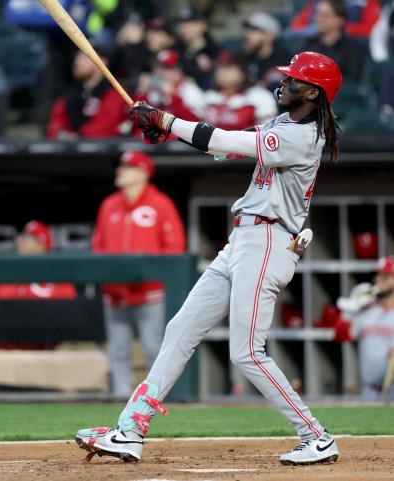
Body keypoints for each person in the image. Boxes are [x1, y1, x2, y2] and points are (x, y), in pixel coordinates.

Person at [75, 51, 343, 465]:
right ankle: (130, 429)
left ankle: (316, 436)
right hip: (243, 240)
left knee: (247, 352)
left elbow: (221, 140)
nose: (283, 83)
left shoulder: (302, 136)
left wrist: (164, 120)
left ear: (312, 91)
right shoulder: (282, 124)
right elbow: (222, 148)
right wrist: (169, 133)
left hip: (269, 241)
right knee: (180, 327)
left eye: (293, 80)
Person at [92, 150, 186, 399]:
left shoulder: (160, 204)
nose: (120, 171)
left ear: (143, 172)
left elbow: (175, 247)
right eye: (121, 166)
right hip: (115, 294)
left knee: (153, 347)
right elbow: (98, 247)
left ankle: (156, 398)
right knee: (119, 350)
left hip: (150, 292)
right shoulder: (109, 204)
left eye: (127, 167)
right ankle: (120, 399)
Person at [333, 256, 394, 401]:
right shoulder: (368, 310)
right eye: (378, 275)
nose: (379, 280)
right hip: (370, 390)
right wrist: (351, 309)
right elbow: (340, 336)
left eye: (385, 276)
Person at [46, 40, 131, 140]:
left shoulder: (115, 92)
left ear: (101, 61)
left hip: (107, 153)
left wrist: (78, 138)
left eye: (84, 56)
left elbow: (106, 129)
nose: (77, 61)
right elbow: (55, 124)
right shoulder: (72, 93)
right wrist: (60, 133)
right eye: (78, 55)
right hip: (71, 153)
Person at [0, 220, 77, 301]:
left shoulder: (59, 279)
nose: (20, 240)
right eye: (21, 236)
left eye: (28, 237)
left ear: (42, 244)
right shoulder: (5, 276)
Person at [202, 52, 279, 131]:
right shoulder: (209, 97)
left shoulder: (260, 96)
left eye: (228, 68)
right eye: (219, 67)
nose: (221, 72)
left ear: (243, 73)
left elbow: (268, 132)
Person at [300, 0, 365, 83]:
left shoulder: (353, 49)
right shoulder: (308, 45)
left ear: (340, 20)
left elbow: (352, 81)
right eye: (317, 13)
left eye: (325, 15)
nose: (319, 19)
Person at [287, 0, 381, 38]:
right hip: (313, 39)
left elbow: (372, 29)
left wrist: (339, 28)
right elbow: (296, 25)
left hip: (346, 44)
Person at [134, 49, 202, 123]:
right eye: (159, 68)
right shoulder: (154, 91)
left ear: (179, 71)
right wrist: (142, 93)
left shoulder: (191, 91)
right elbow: (136, 120)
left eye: (167, 68)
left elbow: (194, 123)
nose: (161, 73)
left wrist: (172, 96)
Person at [242, 11, 292, 92]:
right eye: (248, 30)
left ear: (269, 36)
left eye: (254, 30)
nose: (247, 34)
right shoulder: (245, 60)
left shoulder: (286, 61)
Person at [173, 5, 220, 91]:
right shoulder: (175, 49)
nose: (183, 27)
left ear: (203, 25)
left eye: (189, 23)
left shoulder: (214, 52)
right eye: (181, 23)